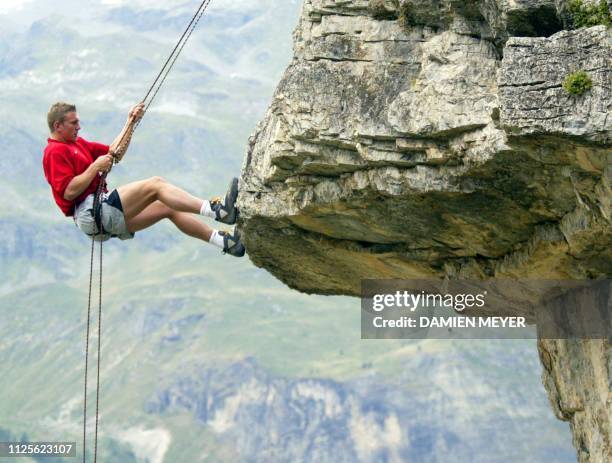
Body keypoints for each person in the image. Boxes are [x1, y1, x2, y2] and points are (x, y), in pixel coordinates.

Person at [42, 101, 245, 257]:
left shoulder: (77, 144)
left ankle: (226, 243)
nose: (79, 126)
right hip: (91, 212)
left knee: (168, 207)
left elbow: (115, 153)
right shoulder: (55, 151)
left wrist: (131, 122)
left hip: (97, 219)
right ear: (58, 125)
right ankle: (218, 210)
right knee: (155, 184)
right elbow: (69, 191)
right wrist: (95, 167)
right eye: (74, 122)